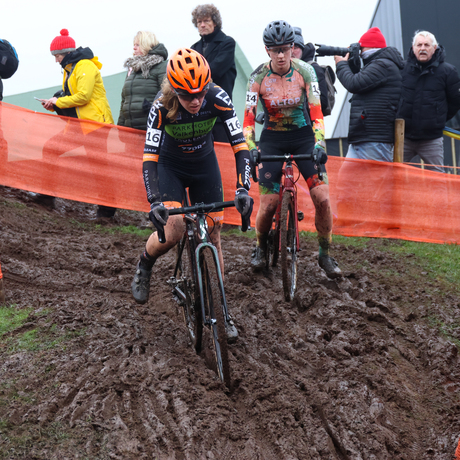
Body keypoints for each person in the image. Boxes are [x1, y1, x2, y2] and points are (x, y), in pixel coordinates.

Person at [130, 48, 253, 341]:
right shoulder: (161, 107)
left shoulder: (218, 97)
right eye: (188, 96)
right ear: (174, 90)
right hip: (171, 167)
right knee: (172, 231)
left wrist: (243, 188)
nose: (196, 100)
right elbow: (149, 158)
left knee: (213, 232)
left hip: (203, 166)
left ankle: (222, 311)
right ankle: (145, 262)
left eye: (200, 93)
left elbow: (240, 146)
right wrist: (155, 201)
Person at [243, 20, 341, 279]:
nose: (281, 55)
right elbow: (248, 119)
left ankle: (325, 253)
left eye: (286, 49)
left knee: (322, 198)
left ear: (292, 47)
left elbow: (317, 113)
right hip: (273, 138)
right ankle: (260, 247)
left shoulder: (305, 72)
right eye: (275, 50)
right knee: (267, 205)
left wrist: (320, 144)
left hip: (304, 137)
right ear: (267, 51)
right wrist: (251, 148)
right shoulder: (257, 77)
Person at [38, 29, 115, 215]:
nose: (56, 59)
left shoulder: (85, 66)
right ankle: (46, 196)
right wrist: (53, 104)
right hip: (77, 125)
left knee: (99, 167)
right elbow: (70, 97)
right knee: (50, 148)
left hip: (95, 125)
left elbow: (83, 97)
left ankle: (108, 208)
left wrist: (58, 101)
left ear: (67, 53)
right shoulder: (69, 69)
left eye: (57, 55)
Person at [334, 27, 404, 162]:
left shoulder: (382, 65)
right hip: (364, 137)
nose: (359, 54)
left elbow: (353, 83)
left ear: (369, 48)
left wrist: (341, 64)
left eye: (360, 50)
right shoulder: (379, 64)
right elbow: (360, 81)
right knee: (345, 182)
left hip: (375, 139)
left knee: (376, 183)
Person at [397, 30, 460, 173]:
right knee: (392, 177)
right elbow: (394, 97)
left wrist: (438, 118)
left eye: (427, 45)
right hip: (403, 138)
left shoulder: (448, 71)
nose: (423, 48)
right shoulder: (402, 69)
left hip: (431, 139)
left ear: (435, 48)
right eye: (419, 45)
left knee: (438, 181)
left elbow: (455, 101)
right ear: (413, 48)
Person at [190, 3, 236, 142]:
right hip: (200, 114)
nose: (202, 25)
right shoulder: (194, 48)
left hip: (221, 113)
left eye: (206, 21)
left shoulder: (227, 43)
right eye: (199, 22)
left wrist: (194, 76)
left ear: (215, 22)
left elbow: (214, 70)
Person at [118, 31, 168, 130]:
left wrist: (151, 110)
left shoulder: (161, 67)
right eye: (134, 45)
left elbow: (167, 96)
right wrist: (121, 127)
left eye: (137, 45)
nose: (134, 48)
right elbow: (124, 100)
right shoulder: (132, 69)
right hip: (130, 131)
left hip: (151, 129)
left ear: (146, 45)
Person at [292, 27, 330, 117]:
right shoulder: (280, 71)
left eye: (296, 47)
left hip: (309, 126)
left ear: (302, 48)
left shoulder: (313, 69)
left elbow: (323, 102)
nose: (292, 52)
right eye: (289, 47)